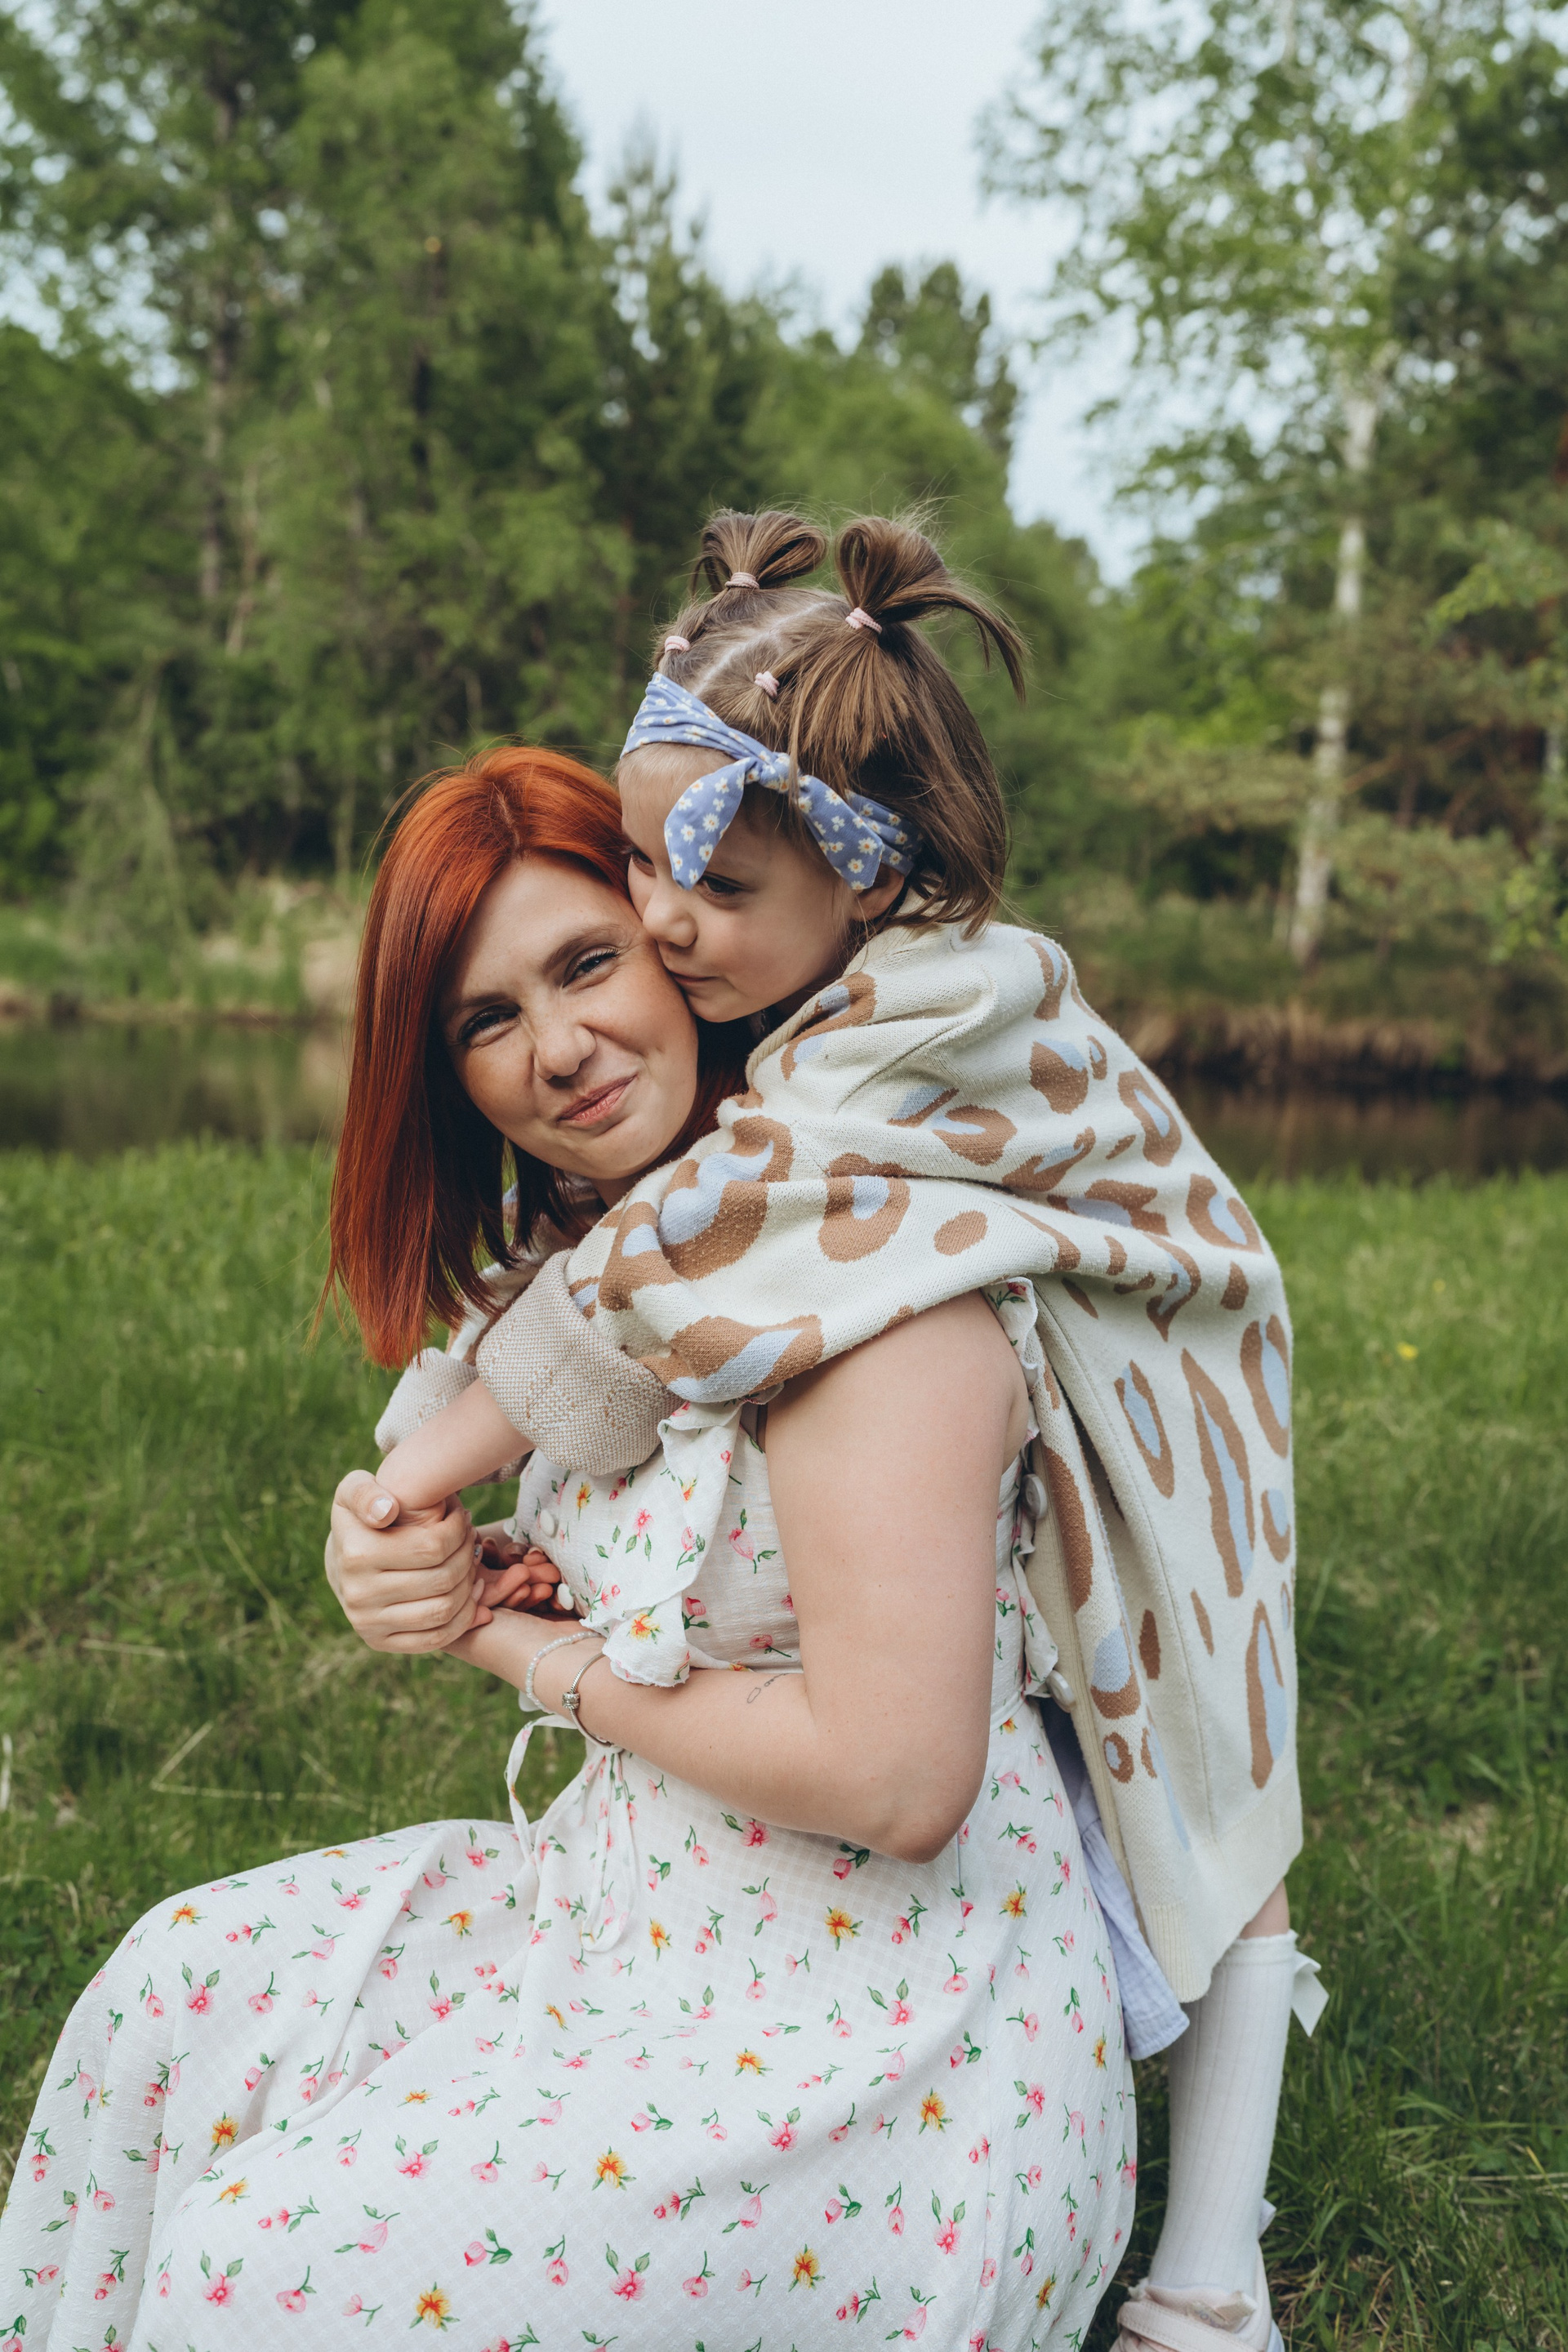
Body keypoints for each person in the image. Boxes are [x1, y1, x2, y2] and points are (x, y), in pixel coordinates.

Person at [1, 746, 1134, 2352]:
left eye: (588, 963)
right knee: (169, 1996)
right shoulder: (592, 1274)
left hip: (883, 2030)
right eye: (487, 1019)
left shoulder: (868, 1279)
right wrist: (407, 1566)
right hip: (619, 1913)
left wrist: (534, 1654)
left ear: (683, 940)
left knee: (256, 2270)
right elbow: (472, 1478)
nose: (557, 1049)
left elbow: (898, 1783)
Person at [364, 509, 1325, 2352]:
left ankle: (1214, 2282)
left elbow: (664, 1273)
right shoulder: (840, 1008)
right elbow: (624, 1289)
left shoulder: (891, 1042)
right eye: (644, 863)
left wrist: (422, 1464)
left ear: (868, 882)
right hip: (1091, 1338)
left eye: (713, 887)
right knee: (1163, 1757)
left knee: (1206, 1760)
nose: (664, 922)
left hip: (1163, 1366)